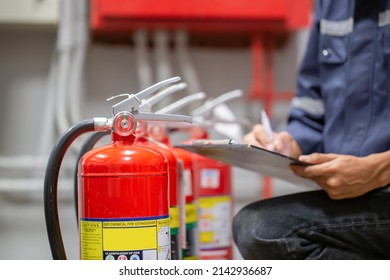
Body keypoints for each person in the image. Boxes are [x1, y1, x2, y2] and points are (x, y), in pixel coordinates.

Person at [233, 0, 390, 259]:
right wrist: (284, 144)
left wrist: (381, 170)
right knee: (255, 226)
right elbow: (311, 112)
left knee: (264, 230)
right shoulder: (331, 5)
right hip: (354, 199)